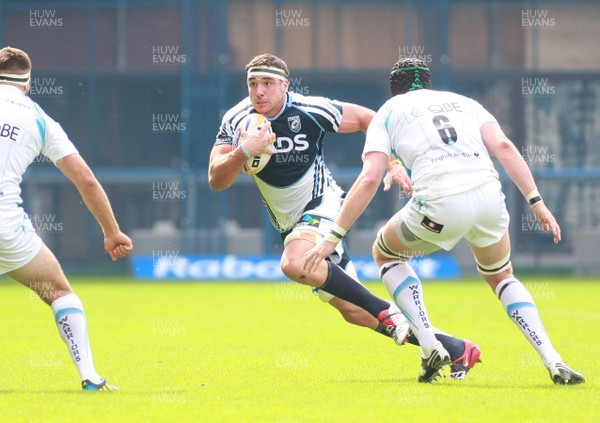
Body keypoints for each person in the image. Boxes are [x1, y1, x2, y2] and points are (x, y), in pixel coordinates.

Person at [302, 57, 585, 385]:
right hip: (490, 199)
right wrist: (537, 202)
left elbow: (368, 179)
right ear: (429, 83)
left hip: (439, 203)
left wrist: (332, 237)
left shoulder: (389, 112)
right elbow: (504, 146)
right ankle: (553, 359)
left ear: (394, 89)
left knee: (386, 252)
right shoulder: (466, 104)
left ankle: (428, 344)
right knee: (502, 275)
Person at [209, 53, 481, 379]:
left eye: (267, 83)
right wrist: (245, 151)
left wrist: (392, 163)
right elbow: (216, 180)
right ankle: (455, 347)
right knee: (355, 312)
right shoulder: (237, 120)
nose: (259, 91)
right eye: (253, 83)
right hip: (288, 224)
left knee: (294, 264)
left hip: (322, 206)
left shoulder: (311, 109)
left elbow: (369, 119)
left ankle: (387, 312)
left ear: (284, 85)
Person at [0, 46, 133, 391]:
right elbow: (86, 180)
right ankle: (89, 376)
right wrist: (112, 232)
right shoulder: (39, 118)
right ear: (27, 84)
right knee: (60, 292)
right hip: (6, 228)